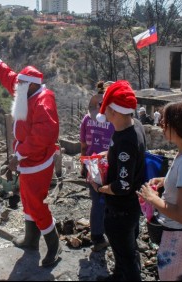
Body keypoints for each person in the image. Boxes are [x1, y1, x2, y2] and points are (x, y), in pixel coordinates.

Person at [0, 39, 61, 267]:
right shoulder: (27, 90)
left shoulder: (43, 101)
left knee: (37, 204)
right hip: (28, 160)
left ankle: (53, 245)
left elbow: (43, 136)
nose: (15, 89)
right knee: (27, 200)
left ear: (31, 86)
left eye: (20, 87)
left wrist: (19, 155)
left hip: (37, 161)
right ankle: (30, 239)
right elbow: (10, 79)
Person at [138, 99, 182, 281]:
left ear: (179, 126)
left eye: (165, 123)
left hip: (179, 239)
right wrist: (166, 181)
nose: (162, 126)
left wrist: (152, 197)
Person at [91, 80, 147, 281]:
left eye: (105, 108)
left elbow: (123, 186)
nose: (103, 112)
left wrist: (100, 187)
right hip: (131, 206)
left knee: (126, 253)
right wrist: (109, 154)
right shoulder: (135, 125)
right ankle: (118, 275)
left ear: (113, 112)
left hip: (121, 210)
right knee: (125, 248)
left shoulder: (126, 141)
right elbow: (129, 157)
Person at [79, 81, 115, 252]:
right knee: (109, 199)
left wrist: (83, 164)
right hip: (109, 164)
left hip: (92, 164)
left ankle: (97, 235)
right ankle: (102, 234)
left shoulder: (87, 118)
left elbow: (83, 145)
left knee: (97, 201)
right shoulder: (115, 119)